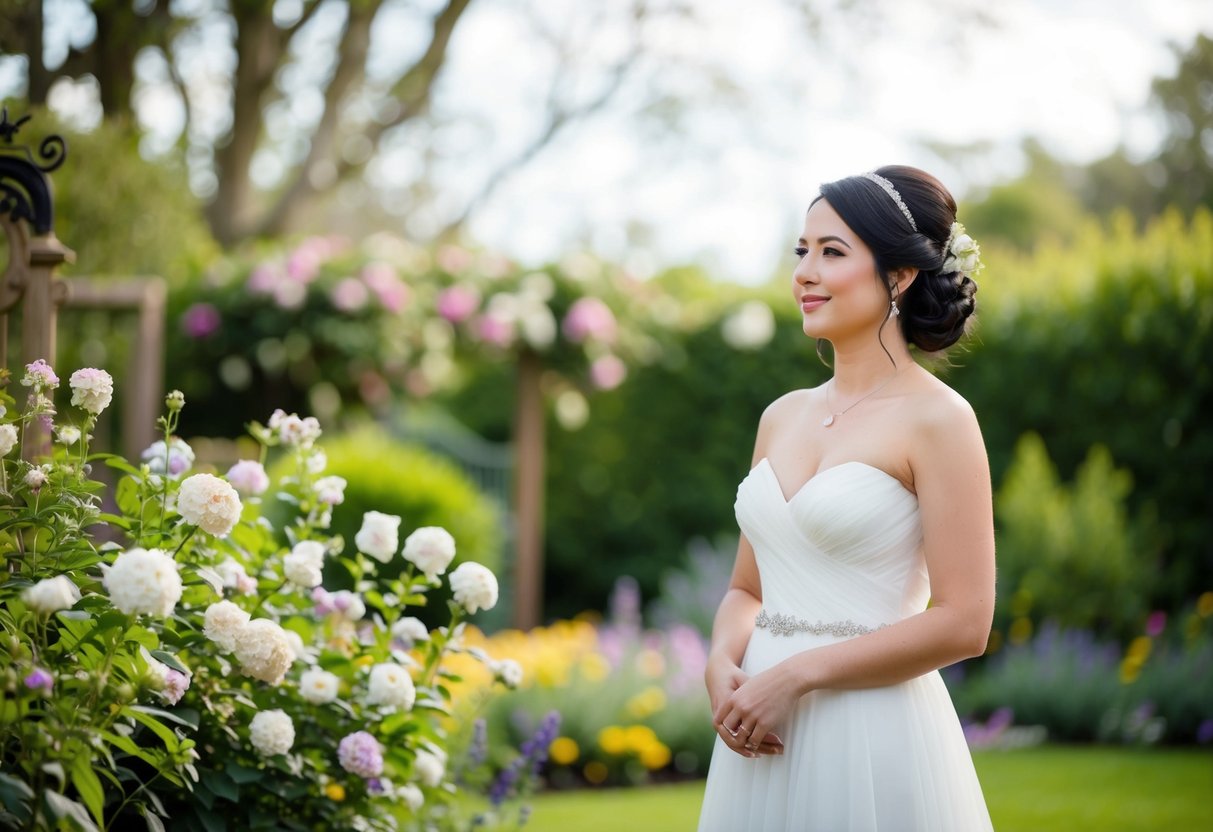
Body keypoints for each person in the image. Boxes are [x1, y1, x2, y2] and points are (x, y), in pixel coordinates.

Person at [697, 165, 995, 831]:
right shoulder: (779, 417)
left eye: (831, 252)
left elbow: (964, 621)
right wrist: (723, 663)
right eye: (800, 251)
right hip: (757, 731)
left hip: (871, 727)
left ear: (898, 275)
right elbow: (747, 589)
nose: (805, 271)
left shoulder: (939, 421)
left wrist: (797, 676)